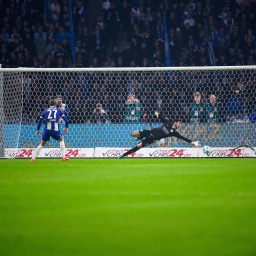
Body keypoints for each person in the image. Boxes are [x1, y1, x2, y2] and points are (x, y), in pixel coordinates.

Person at [118, 111, 200, 159]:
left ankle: (123, 155)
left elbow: (183, 138)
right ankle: (140, 137)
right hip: (149, 132)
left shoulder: (174, 132)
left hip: (152, 139)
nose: (179, 125)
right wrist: (157, 113)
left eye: (180, 125)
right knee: (132, 134)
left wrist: (193, 142)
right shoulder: (168, 122)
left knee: (138, 147)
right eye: (179, 123)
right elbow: (161, 117)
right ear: (175, 122)